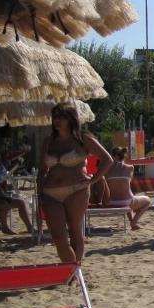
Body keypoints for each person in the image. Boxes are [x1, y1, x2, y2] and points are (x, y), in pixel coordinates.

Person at [37, 104, 113, 261]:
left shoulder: (83, 139)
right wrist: (39, 194)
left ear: (71, 119)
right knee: (59, 238)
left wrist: (94, 179)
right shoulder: (48, 141)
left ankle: (72, 274)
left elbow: (107, 159)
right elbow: (42, 171)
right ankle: (71, 270)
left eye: (62, 117)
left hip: (76, 190)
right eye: (55, 117)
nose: (57, 121)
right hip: (50, 192)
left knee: (75, 231)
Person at [105, 147, 152, 230]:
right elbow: (128, 182)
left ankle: (133, 223)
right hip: (127, 201)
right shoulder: (130, 167)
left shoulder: (107, 169)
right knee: (147, 200)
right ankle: (134, 221)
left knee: (129, 197)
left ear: (113, 156)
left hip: (112, 201)